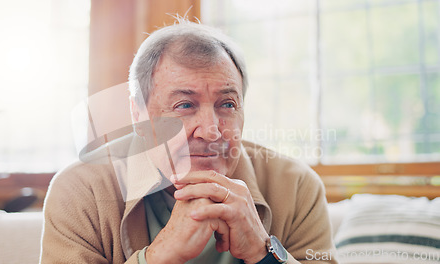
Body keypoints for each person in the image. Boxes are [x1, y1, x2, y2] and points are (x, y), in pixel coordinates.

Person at [40, 19, 338, 264]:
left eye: (227, 104)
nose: (210, 131)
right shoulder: (80, 191)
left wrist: (263, 252)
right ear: (138, 116)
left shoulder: (297, 187)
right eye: (184, 105)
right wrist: (156, 257)